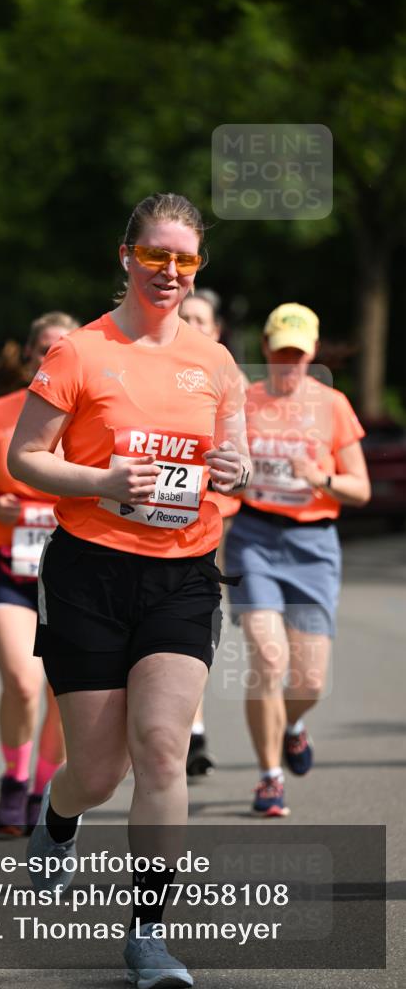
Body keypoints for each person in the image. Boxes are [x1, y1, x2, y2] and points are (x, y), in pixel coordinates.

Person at [8, 193, 249, 985]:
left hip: (183, 572)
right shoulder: (80, 351)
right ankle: (60, 817)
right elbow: (25, 459)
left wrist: (233, 471)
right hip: (90, 572)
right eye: (156, 257)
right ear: (126, 256)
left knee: (161, 749)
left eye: (185, 260)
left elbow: (235, 464)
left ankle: (148, 935)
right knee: (99, 770)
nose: (170, 273)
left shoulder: (214, 361)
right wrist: (102, 477)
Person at [224, 303, 370, 817]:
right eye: (280, 353)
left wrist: (320, 479)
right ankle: (268, 778)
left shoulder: (332, 405)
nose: (289, 363)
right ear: (266, 350)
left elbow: (360, 488)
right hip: (255, 537)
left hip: (313, 546)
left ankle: (292, 724)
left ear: (312, 354)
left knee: (307, 681)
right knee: (267, 658)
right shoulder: (243, 400)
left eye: (298, 355)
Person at [0, 313, 78, 835]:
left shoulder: (94, 413)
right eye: (43, 349)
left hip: (72, 569)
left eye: (62, 349)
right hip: (4, 562)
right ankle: (13, 778)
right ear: (28, 357)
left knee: (62, 693)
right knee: (24, 683)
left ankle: (43, 789)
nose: (52, 358)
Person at [178, 290, 245, 777]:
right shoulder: (151, 367)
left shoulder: (227, 378)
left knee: (191, 620)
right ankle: (179, 729)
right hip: (145, 520)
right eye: (185, 318)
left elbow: (246, 457)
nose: (193, 325)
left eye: (201, 319)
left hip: (211, 515)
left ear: (217, 330)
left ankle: (191, 731)